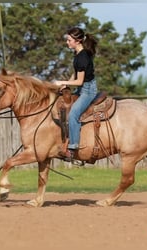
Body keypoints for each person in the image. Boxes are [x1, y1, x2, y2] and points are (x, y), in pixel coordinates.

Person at [55, 27, 98, 161]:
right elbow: (77, 74)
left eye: (69, 40)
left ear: (77, 41)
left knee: (73, 114)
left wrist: (61, 81)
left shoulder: (82, 57)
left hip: (87, 90)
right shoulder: (79, 54)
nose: (67, 42)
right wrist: (67, 84)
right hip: (82, 87)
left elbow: (79, 81)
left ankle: (73, 147)